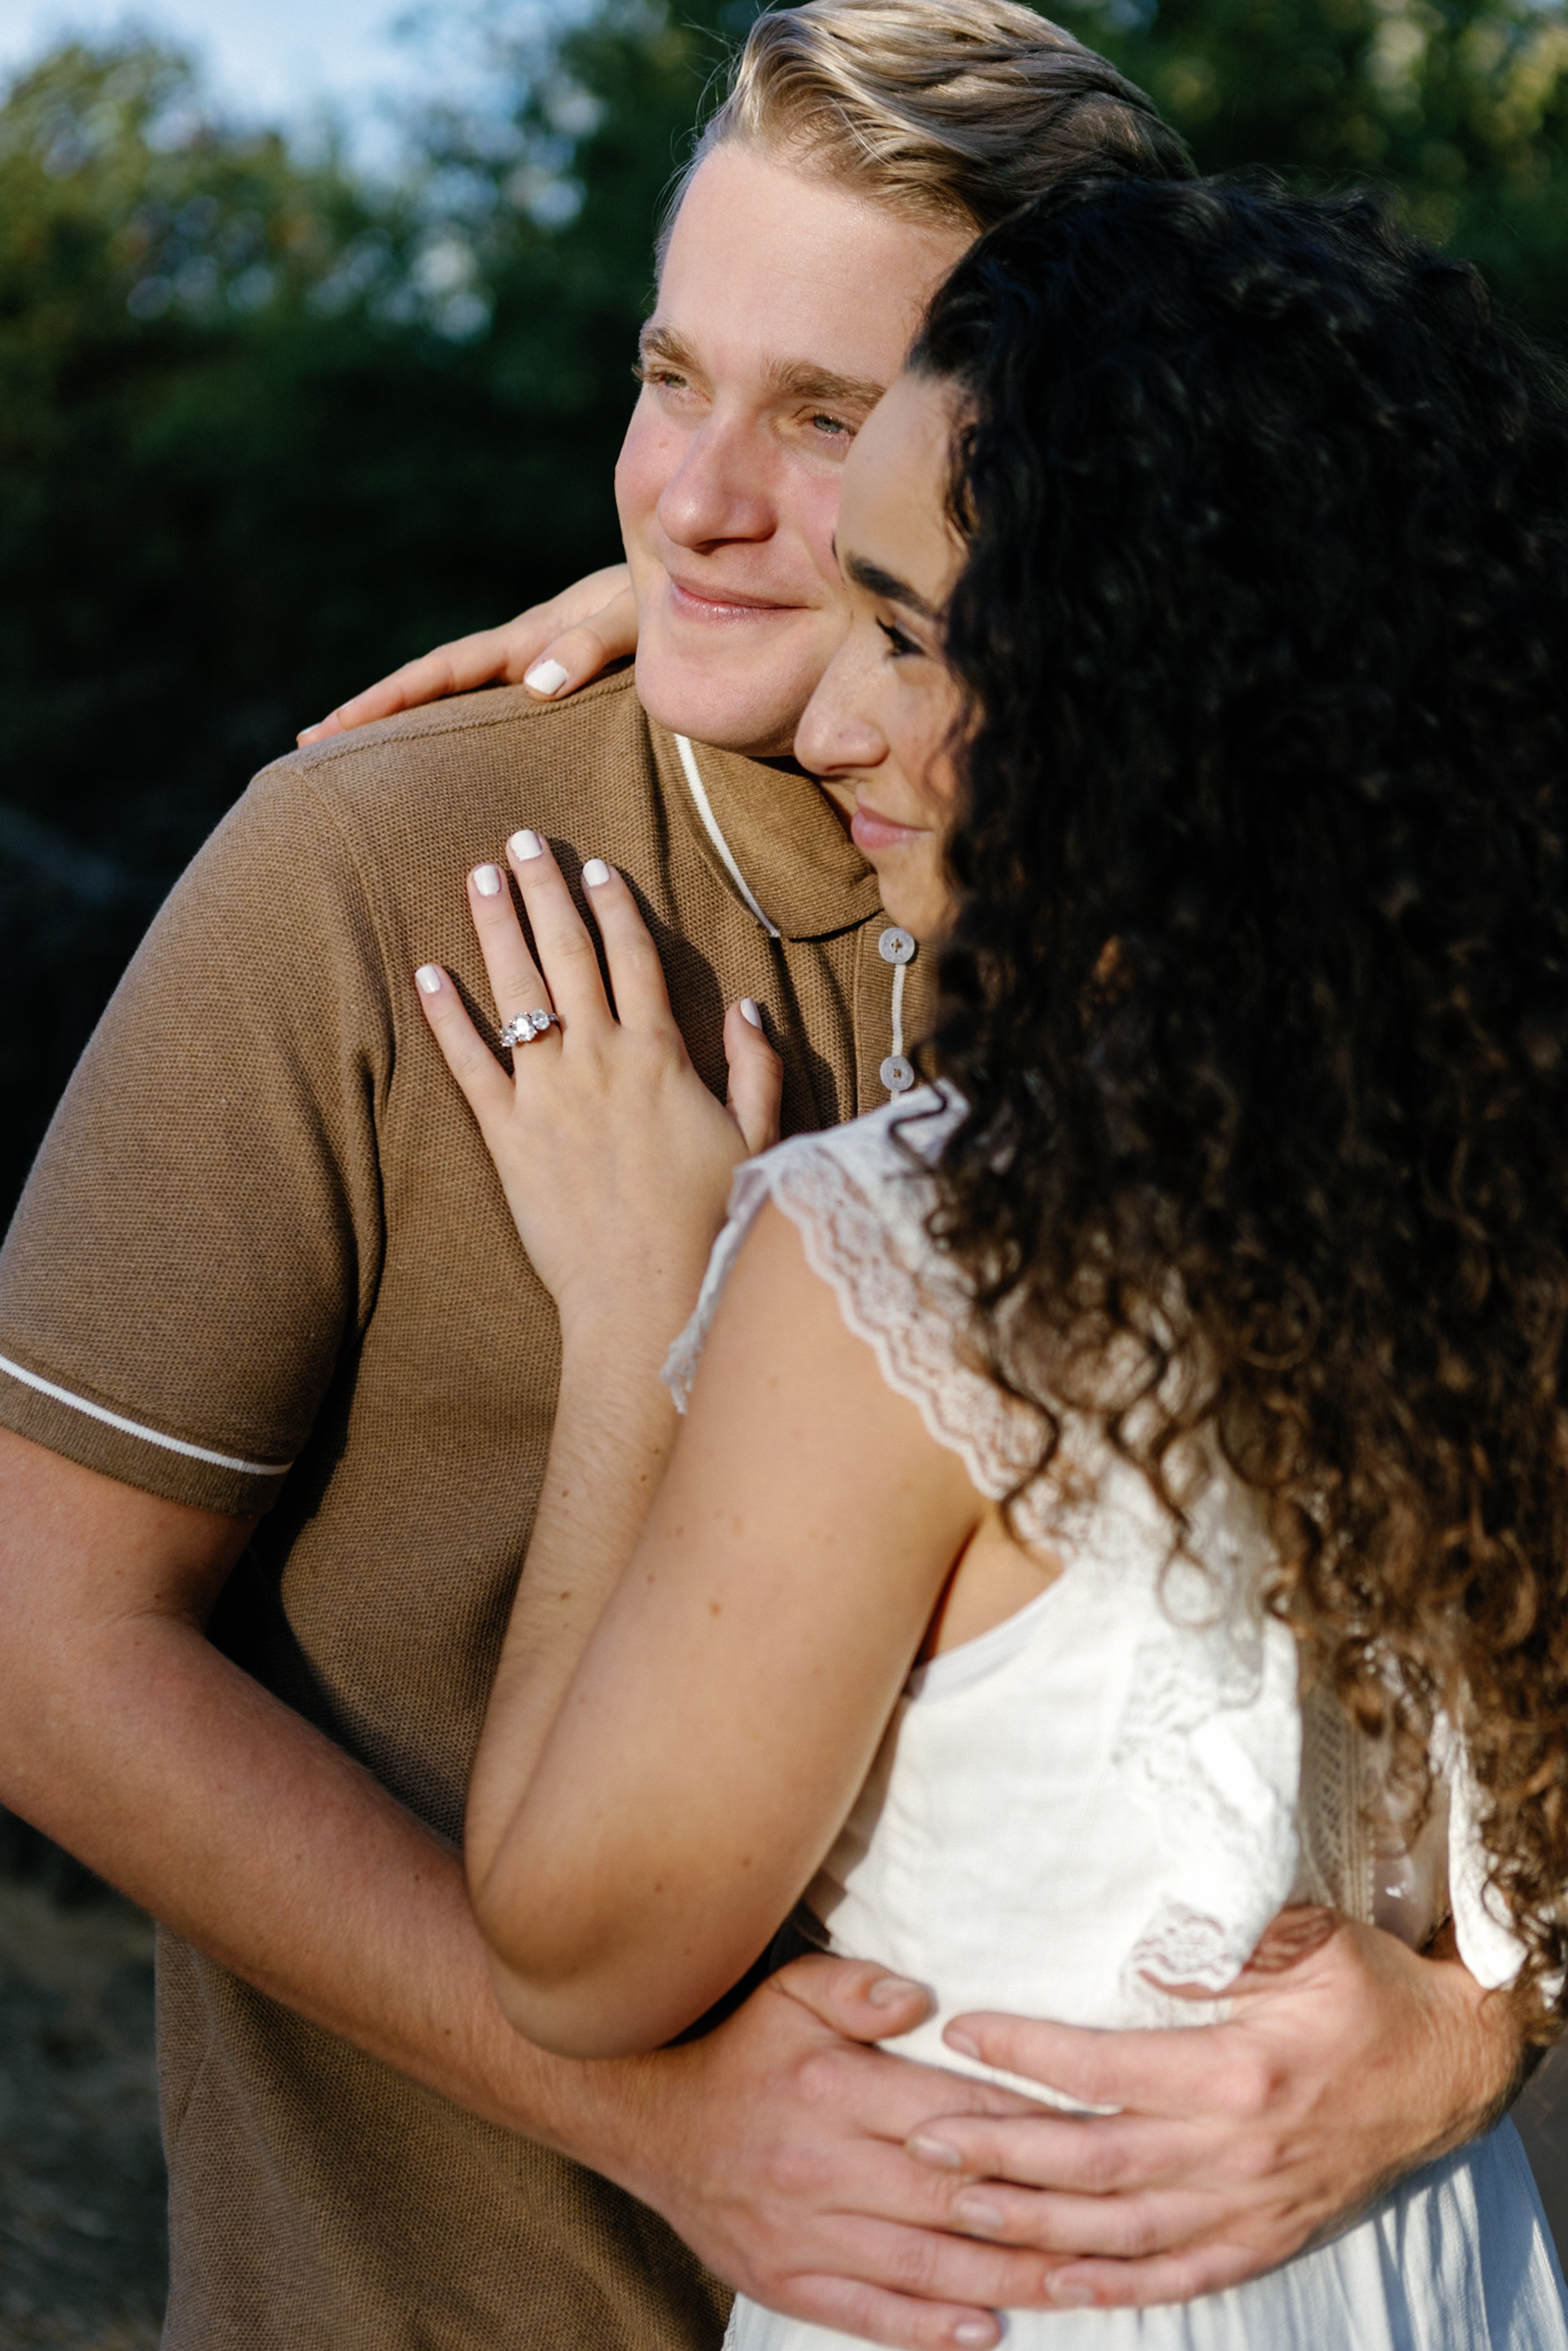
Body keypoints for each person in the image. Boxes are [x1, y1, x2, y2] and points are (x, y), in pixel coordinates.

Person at [0, 4, 1528, 2344]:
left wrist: (1459, 2032)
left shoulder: (1318, 981)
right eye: (666, 373)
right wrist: (651, 2115)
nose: (696, 498)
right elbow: (32, 1635)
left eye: (823, 416)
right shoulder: (386, 872)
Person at [418, 174, 1568, 2346]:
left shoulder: (911, 1259)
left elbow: (576, 1951)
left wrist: (632, 1312)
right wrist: (1461, 2032)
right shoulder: (1496, 1166)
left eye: (910, 636)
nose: (835, 727)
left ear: (1153, 694)